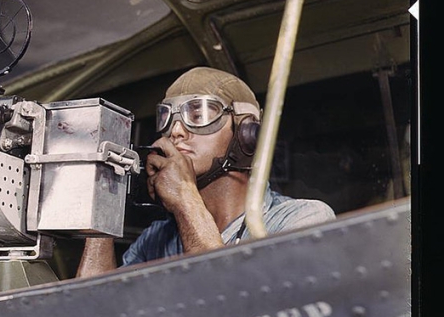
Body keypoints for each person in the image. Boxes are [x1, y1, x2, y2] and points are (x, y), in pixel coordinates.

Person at [76, 66, 336, 277]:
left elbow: (228, 304)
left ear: (247, 134)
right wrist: (102, 205)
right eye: (167, 117)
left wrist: (185, 199)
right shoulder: (156, 238)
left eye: (198, 114)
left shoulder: (301, 220)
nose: (175, 131)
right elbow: (92, 313)